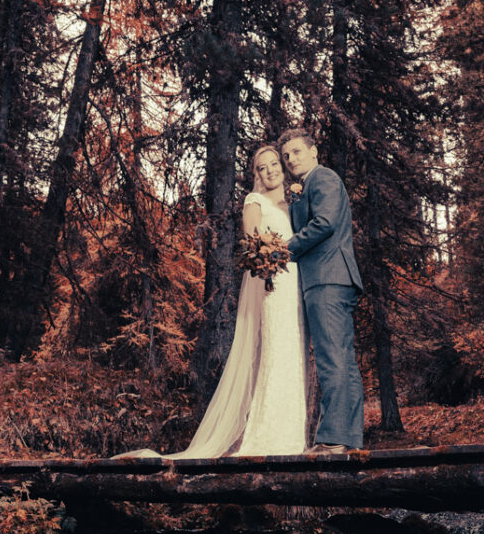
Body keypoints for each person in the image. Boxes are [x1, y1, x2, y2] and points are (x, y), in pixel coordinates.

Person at [116, 144, 309, 459]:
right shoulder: (254, 200)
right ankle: (270, 433)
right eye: (264, 167)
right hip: (274, 285)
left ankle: (293, 431)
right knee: (276, 352)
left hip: (295, 284)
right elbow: (252, 239)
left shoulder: (293, 201)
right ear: (256, 174)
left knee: (294, 352)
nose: (272, 170)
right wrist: (269, 255)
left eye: (275, 164)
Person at [279, 127, 365, 453]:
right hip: (328, 278)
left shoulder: (324, 177)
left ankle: (332, 439)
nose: (290, 160)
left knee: (333, 360)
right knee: (342, 359)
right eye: (287, 155)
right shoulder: (306, 187)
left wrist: (284, 249)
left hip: (328, 277)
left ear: (313, 152)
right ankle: (348, 439)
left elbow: (325, 222)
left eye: (297, 152)